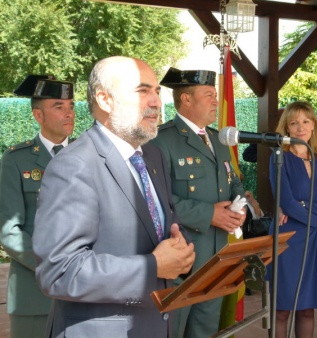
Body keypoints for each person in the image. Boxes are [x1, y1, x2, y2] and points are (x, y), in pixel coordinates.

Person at [32, 56, 195, 338]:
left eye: (157, 91)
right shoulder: (74, 165)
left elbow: (163, 231)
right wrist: (153, 266)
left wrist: (180, 254)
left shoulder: (152, 156)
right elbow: (59, 272)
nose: (156, 101)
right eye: (142, 91)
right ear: (105, 100)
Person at [147, 67, 246, 338]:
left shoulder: (218, 139)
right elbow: (154, 199)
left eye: (216, 95)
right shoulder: (160, 140)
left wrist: (239, 208)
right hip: (183, 253)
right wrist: (207, 214)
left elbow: (233, 181)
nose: (216, 101)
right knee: (174, 328)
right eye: (209, 95)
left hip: (216, 252)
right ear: (186, 100)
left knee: (206, 327)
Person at [0, 75, 75, 338]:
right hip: (34, 294)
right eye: (58, 106)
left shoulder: (89, 156)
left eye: (71, 106)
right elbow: (9, 230)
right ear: (38, 116)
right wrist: (52, 265)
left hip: (84, 292)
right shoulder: (16, 160)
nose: (68, 113)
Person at [267, 101, 317, 338]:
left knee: (307, 310)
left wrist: (304, 206)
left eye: (306, 121)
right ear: (286, 127)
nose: (300, 127)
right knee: (281, 311)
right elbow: (286, 202)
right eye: (294, 122)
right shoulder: (279, 158)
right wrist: (316, 216)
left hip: (313, 243)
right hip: (287, 240)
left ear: (313, 125)